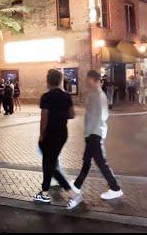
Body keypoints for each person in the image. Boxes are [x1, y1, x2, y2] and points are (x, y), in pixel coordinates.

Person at [71, 70, 123, 205]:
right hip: (93, 133)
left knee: (100, 162)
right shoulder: (95, 94)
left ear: (94, 80)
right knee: (87, 161)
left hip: (94, 134)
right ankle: (77, 185)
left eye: (87, 79)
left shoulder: (98, 95)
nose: (85, 81)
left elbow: (101, 116)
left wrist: (91, 132)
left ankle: (115, 188)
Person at [33, 69, 80, 207]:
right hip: (62, 134)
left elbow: (44, 118)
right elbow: (72, 115)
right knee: (48, 163)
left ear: (48, 81)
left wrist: (42, 135)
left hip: (50, 135)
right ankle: (45, 193)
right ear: (60, 81)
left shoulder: (46, 97)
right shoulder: (66, 96)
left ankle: (73, 194)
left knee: (51, 166)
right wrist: (61, 113)